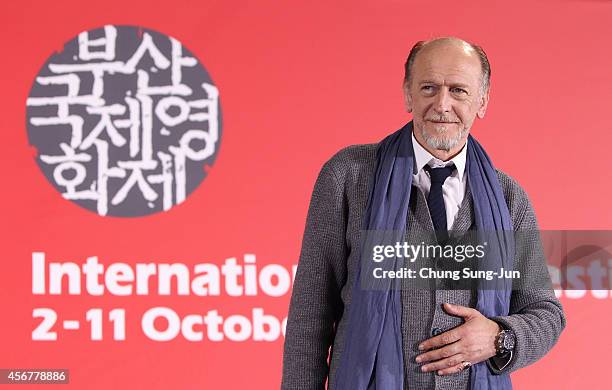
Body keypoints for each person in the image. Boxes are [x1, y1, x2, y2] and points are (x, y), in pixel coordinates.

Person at [281, 37, 565, 390]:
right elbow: (310, 316)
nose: (442, 104)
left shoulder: (509, 199)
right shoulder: (348, 176)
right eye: (429, 87)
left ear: (482, 101)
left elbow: (545, 313)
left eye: (458, 90)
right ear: (407, 94)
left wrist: (499, 337)